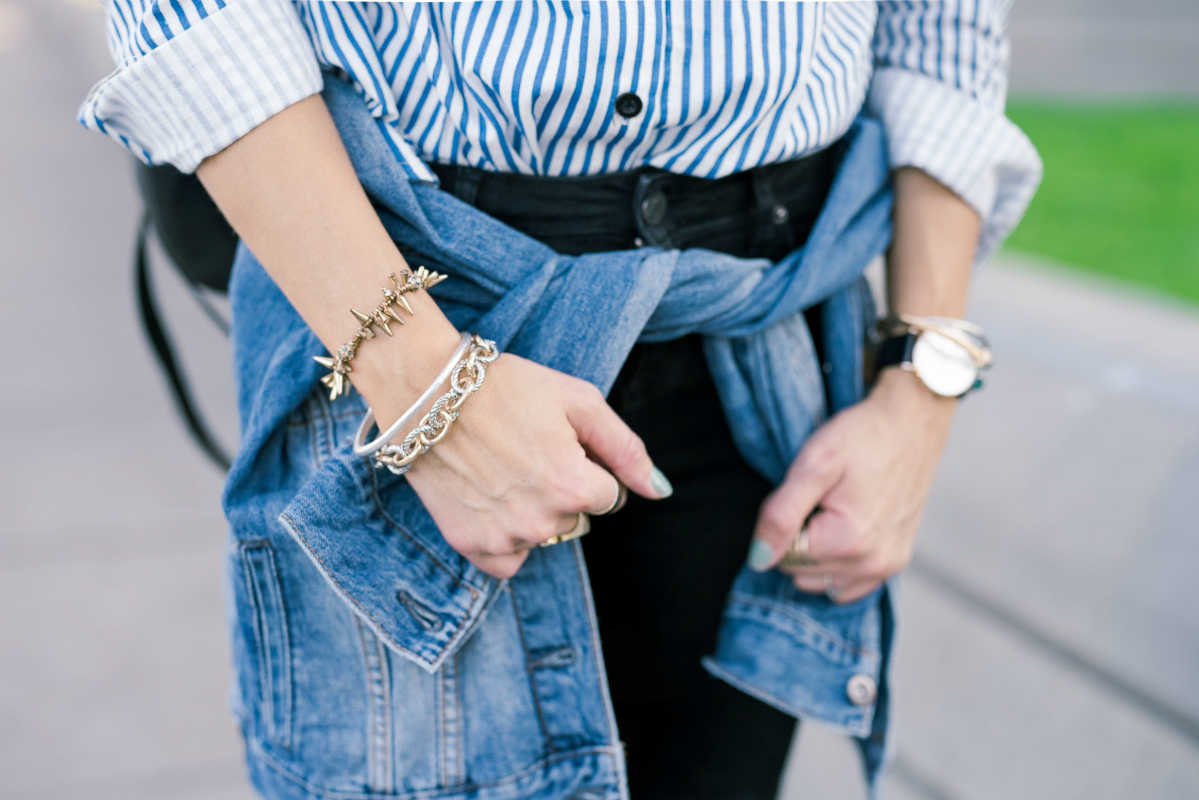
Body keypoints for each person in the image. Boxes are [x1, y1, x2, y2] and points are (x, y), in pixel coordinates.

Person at [81, 2, 1040, 798]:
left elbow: (942, 27)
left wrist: (921, 390)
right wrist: (424, 388)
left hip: (761, 352)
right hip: (411, 297)